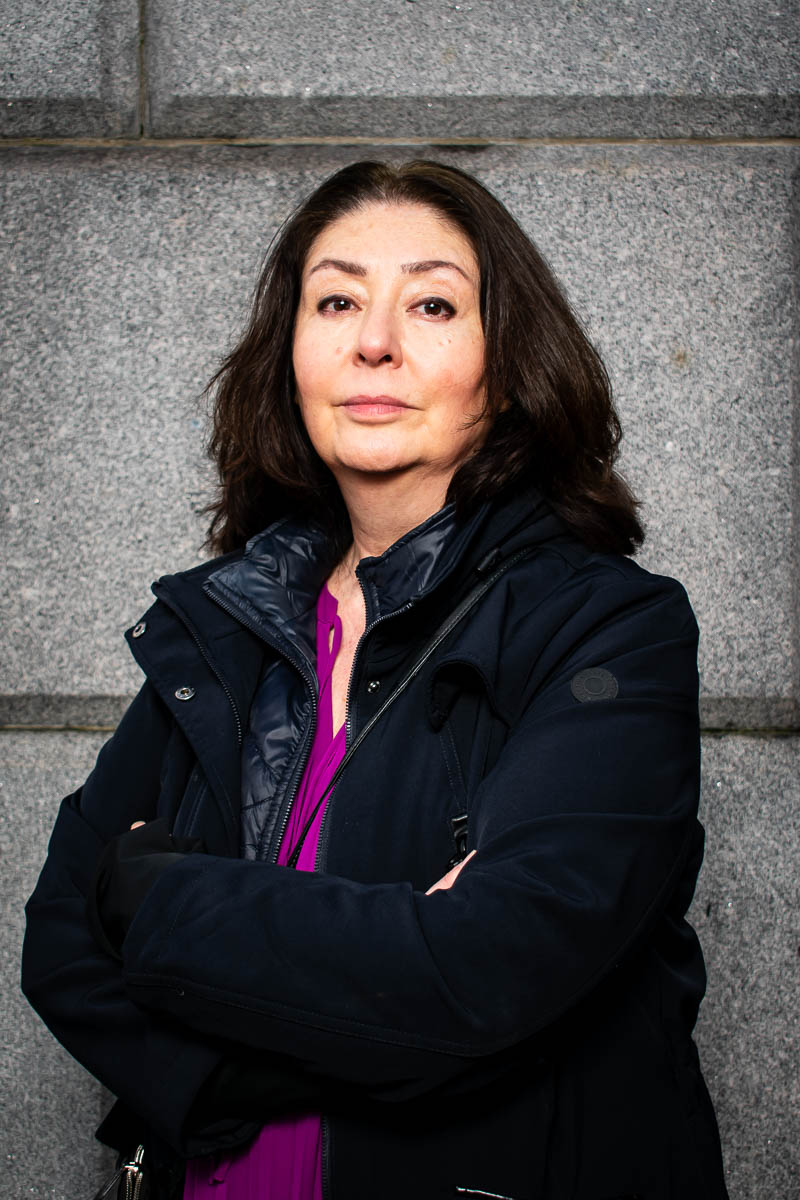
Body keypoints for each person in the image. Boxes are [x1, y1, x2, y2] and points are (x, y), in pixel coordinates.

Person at [22, 159, 729, 1200]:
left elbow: (479, 971)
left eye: (432, 303)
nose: (373, 341)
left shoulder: (607, 625)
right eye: (337, 299)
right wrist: (315, 1042)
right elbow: (62, 941)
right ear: (290, 350)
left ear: (507, 361)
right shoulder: (227, 624)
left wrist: (156, 899)